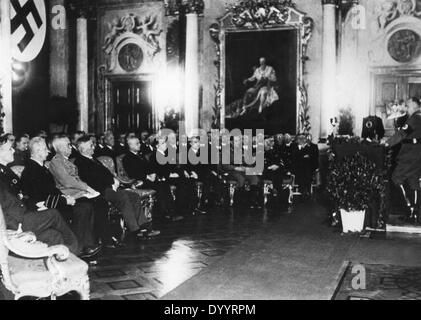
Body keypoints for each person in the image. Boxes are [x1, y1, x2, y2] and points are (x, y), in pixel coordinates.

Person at [20, 137, 102, 258]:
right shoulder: (32, 170)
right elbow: (39, 197)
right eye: (45, 149)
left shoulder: (40, 168)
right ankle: (79, 248)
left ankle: (85, 244)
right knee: (82, 208)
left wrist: (65, 196)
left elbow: (52, 190)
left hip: (53, 202)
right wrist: (65, 200)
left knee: (86, 206)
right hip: (44, 207)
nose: (48, 152)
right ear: (37, 151)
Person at [0, 136, 80, 255]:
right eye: (9, 149)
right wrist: (17, 226)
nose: (13, 151)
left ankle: (67, 261)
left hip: (24, 214)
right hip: (17, 222)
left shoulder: (7, 172)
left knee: (54, 235)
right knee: (54, 214)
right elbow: (4, 205)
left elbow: (23, 196)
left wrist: (36, 206)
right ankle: (77, 250)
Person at [74, 136, 160, 239]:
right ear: (83, 149)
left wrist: (114, 179)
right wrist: (111, 182)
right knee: (123, 197)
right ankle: (135, 230)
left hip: (110, 187)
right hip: (100, 191)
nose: (94, 147)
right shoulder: (80, 162)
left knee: (134, 196)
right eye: (91, 145)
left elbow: (106, 173)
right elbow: (93, 180)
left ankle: (144, 227)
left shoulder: (93, 159)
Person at [48, 136, 121, 248]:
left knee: (101, 202)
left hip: (79, 192)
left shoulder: (65, 161)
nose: (71, 147)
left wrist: (88, 190)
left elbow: (77, 179)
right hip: (70, 194)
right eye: (68, 145)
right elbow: (67, 181)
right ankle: (90, 243)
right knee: (96, 203)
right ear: (60, 148)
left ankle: (100, 239)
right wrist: (87, 189)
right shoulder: (56, 161)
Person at [123, 136, 183, 221]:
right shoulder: (127, 158)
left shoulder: (140, 155)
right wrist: (147, 176)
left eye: (139, 143)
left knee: (163, 185)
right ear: (130, 145)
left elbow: (149, 167)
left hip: (148, 178)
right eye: (137, 143)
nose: (139, 144)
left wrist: (153, 174)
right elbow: (133, 173)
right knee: (160, 186)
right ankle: (166, 213)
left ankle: (169, 212)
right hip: (138, 181)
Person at [387, 97, 421, 223]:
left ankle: (409, 207)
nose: (406, 108)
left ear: (415, 106)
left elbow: (402, 134)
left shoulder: (415, 118)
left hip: (410, 155)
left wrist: (386, 143)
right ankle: (415, 213)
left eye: (408, 106)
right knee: (413, 181)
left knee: (396, 178)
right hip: (417, 154)